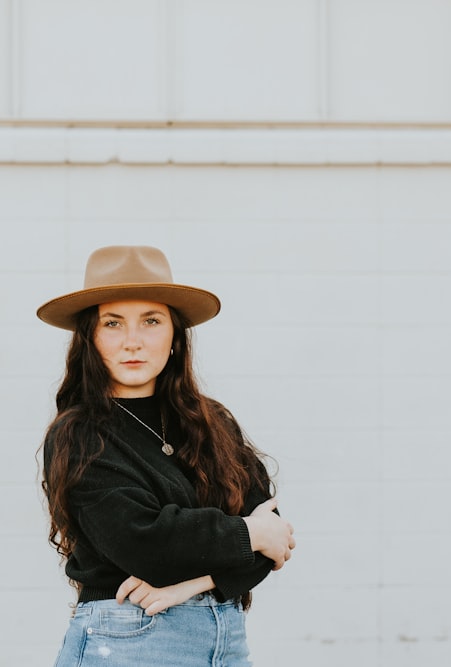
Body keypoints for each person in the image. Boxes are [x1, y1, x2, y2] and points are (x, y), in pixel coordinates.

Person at [37, 245, 295, 667]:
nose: (132, 341)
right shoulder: (80, 433)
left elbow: (274, 537)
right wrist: (248, 535)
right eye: (113, 323)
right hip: (128, 640)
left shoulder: (211, 422)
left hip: (225, 644)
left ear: (175, 336)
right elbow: (146, 544)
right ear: (90, 337)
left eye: (151, 321)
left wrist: (192, 584)